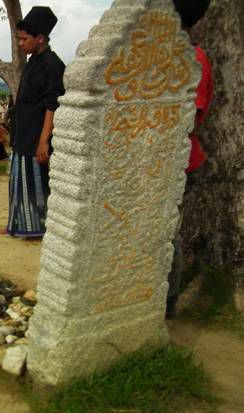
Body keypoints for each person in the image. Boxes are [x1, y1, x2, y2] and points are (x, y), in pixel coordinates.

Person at [166, 0, 213, 319]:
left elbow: (189, 120)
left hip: (178, 163)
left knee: (167, 235)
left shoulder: (195, 61)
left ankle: (165, 303)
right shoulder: (166, 56)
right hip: (153, 163)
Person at [5, 6, 65, 239]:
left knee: (36, 185)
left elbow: (52, 106)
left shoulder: (53, 65)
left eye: (24, 39)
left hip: (35, 138)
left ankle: (37, 230)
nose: (21, 44)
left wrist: (44, 142)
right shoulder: (32, 61)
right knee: (18, 184)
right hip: (22, 136)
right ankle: (17, 224)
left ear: (40, 38)